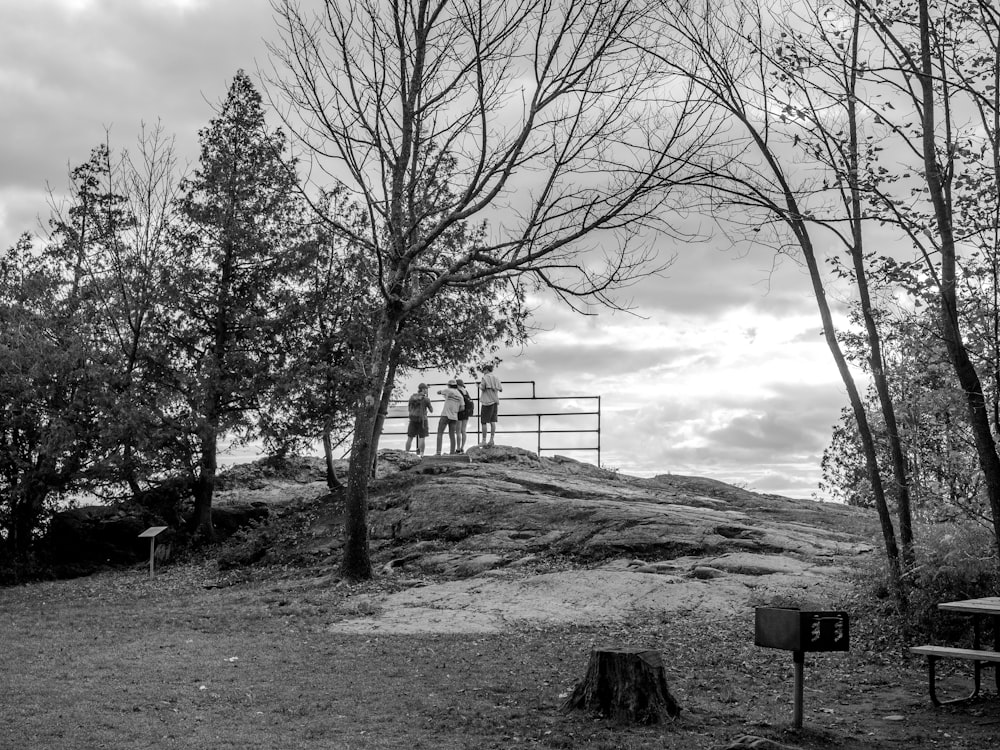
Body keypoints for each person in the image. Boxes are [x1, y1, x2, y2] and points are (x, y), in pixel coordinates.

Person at [435, 379, 464, 455]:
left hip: (445, 415)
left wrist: (443, 394)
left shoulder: (448, 390)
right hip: (454, 416)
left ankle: (438, 452)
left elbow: (439, 392)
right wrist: (455, 410)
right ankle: (452, 452)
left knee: (440, 433)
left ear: (449, 385)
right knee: (452, 434)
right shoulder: (460, 395)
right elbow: (462, 408)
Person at [404, 383, 433, 456]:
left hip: (413, 419)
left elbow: (409, 408)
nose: (427, 391)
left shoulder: (412, 397)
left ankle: (406, 453)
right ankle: (421, 454)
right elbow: (431, 410)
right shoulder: (426, 399)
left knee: (410, 437)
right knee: (422, 438)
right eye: (426, 389)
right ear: (423, 389)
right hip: (423, 420)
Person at [478, 363, 503, 447]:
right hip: (495, 401)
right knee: (493, 421)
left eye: (484, 371)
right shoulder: (496, 378)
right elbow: (500, 389)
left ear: (486, 370)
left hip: (487, 401)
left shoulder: (485, 377)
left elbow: (482, 387)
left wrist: (478, 385)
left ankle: (484, 440)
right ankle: (491, 439)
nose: (483, 372)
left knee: (484, 422)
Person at [455, 378, 474, 453]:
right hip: (467, 412)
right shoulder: (466, 391)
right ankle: (462, 447)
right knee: (464, 430)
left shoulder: (457, 391)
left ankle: (458, 448)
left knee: (458, 431)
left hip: (460, 411)